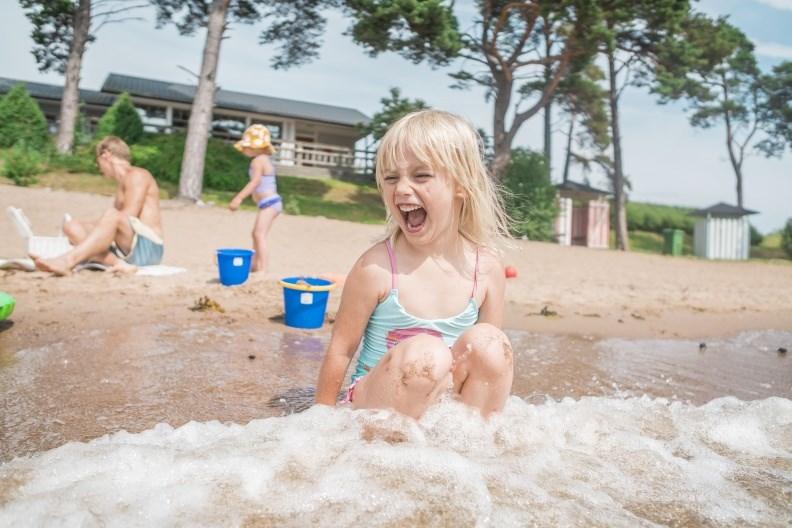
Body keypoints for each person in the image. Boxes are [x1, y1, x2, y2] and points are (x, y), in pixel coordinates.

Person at [315, 110, 513, 420]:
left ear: (461, 185)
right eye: (391, 178)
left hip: (443, 409)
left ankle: (473, 445)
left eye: (421, 175)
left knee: (491, 345)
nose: (402, 189)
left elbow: (487, 372)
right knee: (427, 353)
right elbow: (340, 352)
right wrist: (318, 421)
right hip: (373, 406)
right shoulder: (377, 268)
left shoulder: (486, 270)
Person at [33, 136, 164, 276]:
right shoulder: (122, 183)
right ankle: (119, 264)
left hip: (149, 248)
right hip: (126, 246)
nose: (98, 167)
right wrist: (96, 230)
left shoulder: (138, 175)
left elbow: (129, 215)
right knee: (72, 226)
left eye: (98, 162)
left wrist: (100, 227)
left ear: (106, 155)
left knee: (111, 215)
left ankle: (67, 261)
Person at [229, 124, 281, 273]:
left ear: (256, 147)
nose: (244, 150)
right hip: (270, 203)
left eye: (247, 147)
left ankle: (263, 268)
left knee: (259, 234)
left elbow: (255, 182)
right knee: (256, 234)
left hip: (269, 203)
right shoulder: (263, 159)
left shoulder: (258, 161)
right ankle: (254, 265)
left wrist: (238, 198)